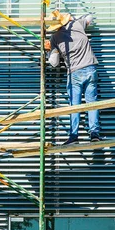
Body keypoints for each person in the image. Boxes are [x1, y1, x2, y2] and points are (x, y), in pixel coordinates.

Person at [45, 9, 101, 145]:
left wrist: (48, 50)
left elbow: (54, 63)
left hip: (74, 72)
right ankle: (94, 134)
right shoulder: (77, 25)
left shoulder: (55, 38)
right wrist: (73, 18)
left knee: (74, 105)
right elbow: (90, 17)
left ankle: (74, 136)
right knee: (92, 103)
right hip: (90, 68)